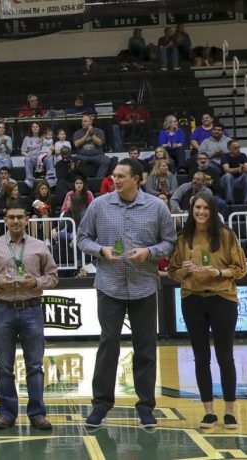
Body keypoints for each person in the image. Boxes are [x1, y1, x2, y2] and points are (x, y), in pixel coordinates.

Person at [77, 157, 177, 429]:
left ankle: (145, 407)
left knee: (145, 347)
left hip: (144, 285)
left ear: (137, 178)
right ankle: (101, 406)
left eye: (121, 176)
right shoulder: (99, 205)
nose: (115, 180)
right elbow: (82, 237)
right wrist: (101, 251)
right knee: (108, 345)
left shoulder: (157, 207)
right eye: (114, 176)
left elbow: (170, 242)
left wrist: (149, 252)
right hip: (109, 286)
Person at [0, 201, 58, 430]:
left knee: (35, 365)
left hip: (32, 308)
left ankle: (37, 413)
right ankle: (7, 413)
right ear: (4, 220)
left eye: (19, 217)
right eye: (11, 217)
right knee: (4, 366)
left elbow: (52, 276)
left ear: (27, 220)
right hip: (4, 309)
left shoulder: (39, 246)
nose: (15, 221)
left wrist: (37, 281)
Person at [168, 192, 246, 430]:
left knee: (225, 356)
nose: (201, 212)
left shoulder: (226, 235)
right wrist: (185, 270)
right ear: (192, 211)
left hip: (223, 298)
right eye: (197, 208)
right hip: (192, 299)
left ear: (212, 211)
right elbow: (173, 272)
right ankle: (209, 412)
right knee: (201, 357)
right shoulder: (183, 238)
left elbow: (240, 269)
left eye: (205, 208)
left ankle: (230, 411)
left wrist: (217, 273)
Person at [220, 140, 247, 204]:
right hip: (226, 180)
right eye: (235, 148)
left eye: (239, 147)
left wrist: (243, 169)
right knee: (228, 176)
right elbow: (226, 170)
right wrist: (239, 169)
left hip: (239, 179)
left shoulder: (243, 155)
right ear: (229, 149)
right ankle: (229, 200)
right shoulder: (225, 156)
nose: (238, 149)